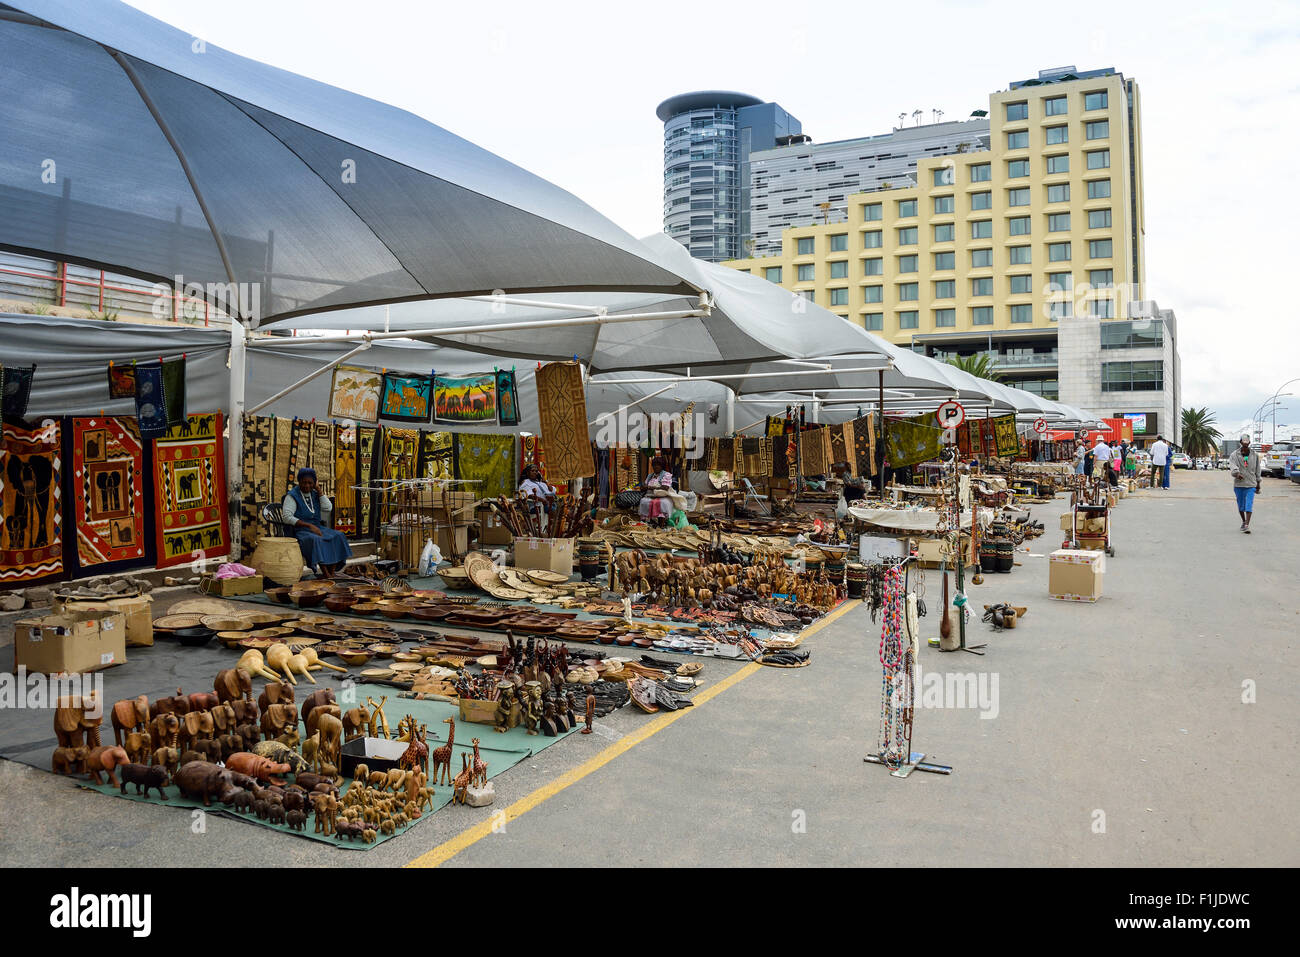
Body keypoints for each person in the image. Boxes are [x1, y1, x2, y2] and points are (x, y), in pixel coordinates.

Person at [282, 467, 352, 578]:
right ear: (299, 481)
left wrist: (319, 490)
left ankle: (331, 574)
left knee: (338, 535)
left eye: (310, 483)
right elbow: (286, 517)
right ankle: (327, 574)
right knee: (317, 540)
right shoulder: (292, 495)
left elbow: (328, 508)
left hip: (317, 528)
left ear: (314, 483)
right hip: (300, 531)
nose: (307, 485)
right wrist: (309, 525)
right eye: (304, 482)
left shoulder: (315, 493)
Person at [1228, 435, 1262, 533]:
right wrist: (1236, 473)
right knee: (1241, 506)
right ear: (1241, 442)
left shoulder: (1254, 455)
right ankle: (1243, 521)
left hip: (1251, 484)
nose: (1246, 444)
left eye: (1247, 442)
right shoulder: (1234, 455)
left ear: (1249, 443)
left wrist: (1258, 483)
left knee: (1249, 504)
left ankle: (1247, 525)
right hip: (1239, 484)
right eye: (1244, 442)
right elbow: (1233, 466)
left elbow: (1258, 469)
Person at [639, 456, 676, 526]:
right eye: (654, 465)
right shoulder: (650, 476)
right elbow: (644, 486)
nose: (656, 467)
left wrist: (650, 487)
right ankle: (644, 523)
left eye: (658, 465)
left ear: (662, 466)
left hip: (663, 497)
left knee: (662, 503)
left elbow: (665, 487)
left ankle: (661, 524)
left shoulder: (666, 475)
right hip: (650, 496)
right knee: (644, 501)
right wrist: (643, 487)